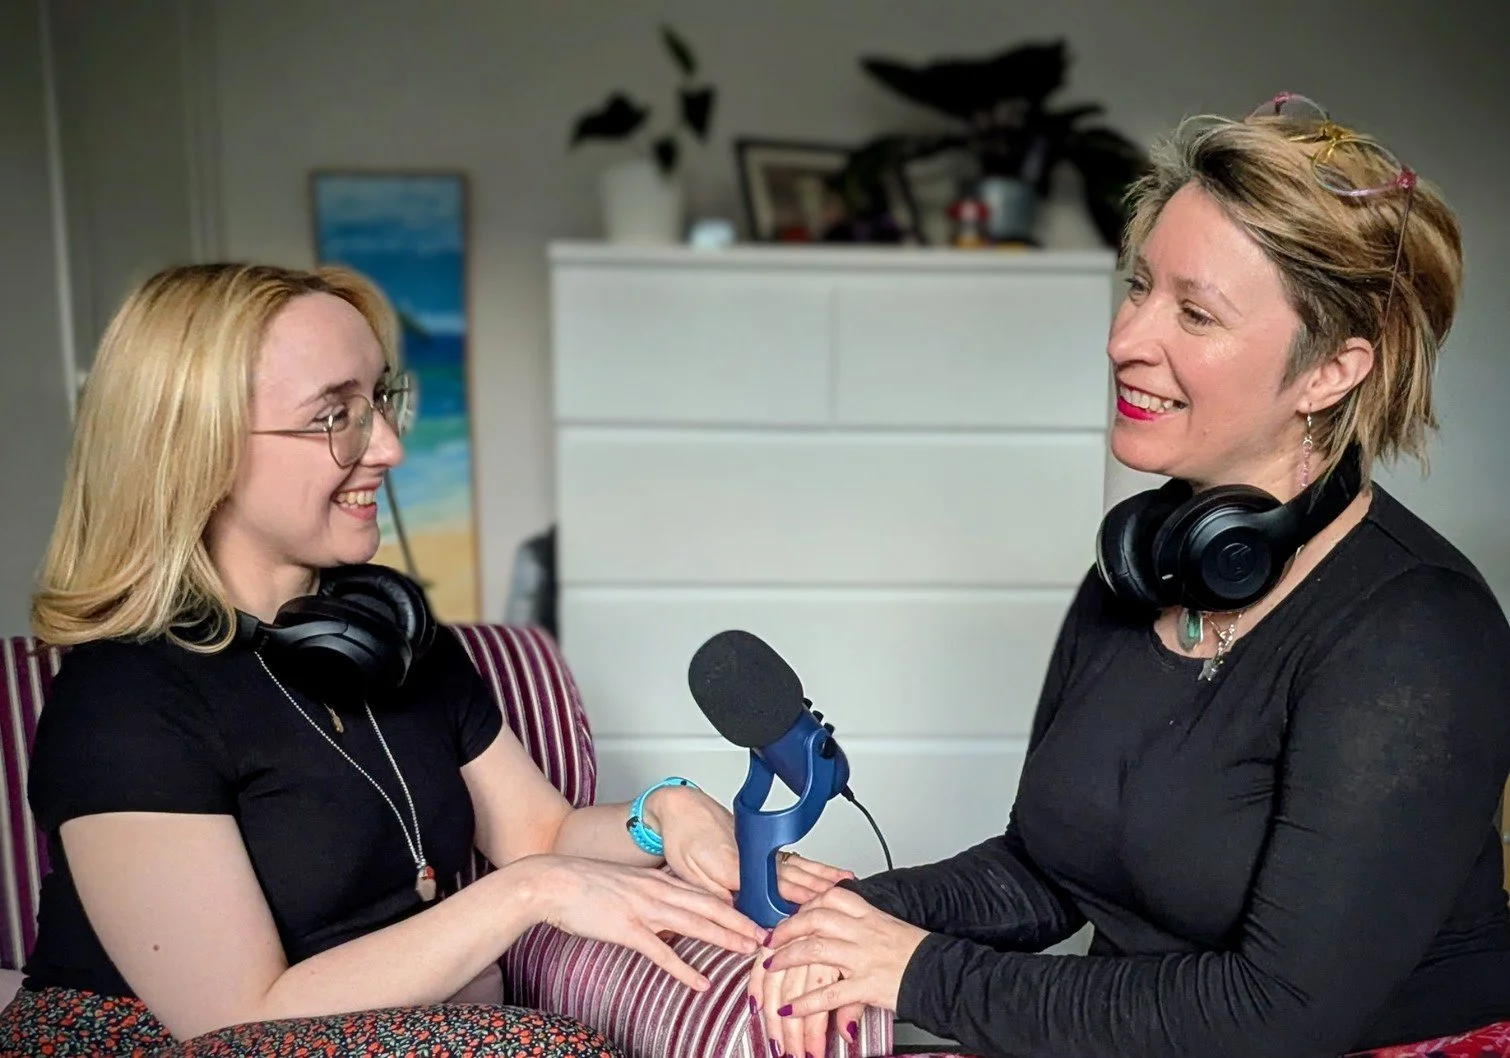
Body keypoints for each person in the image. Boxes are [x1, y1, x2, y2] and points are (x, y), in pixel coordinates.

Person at [749, 93, 1510, 1058]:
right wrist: (851, 920)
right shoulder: (1134, 570)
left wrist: (916, 970)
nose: (1126, 339)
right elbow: (1049, 870)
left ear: (1331, 372)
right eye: (1139, 286)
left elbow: (1279, 1011)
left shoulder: (1418, 634)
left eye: (1194, 312)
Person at [0, 262, 850, 1057]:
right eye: (334, 415)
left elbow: (540, 832)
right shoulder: (124, 702)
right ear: (196, 445)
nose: (387, 449)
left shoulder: (390, 634)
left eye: (378, 400)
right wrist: (532, 893)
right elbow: (233, 1018)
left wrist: (665, 811)